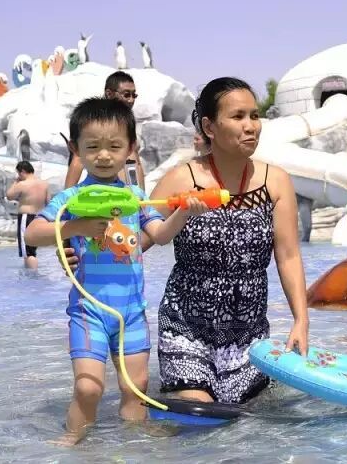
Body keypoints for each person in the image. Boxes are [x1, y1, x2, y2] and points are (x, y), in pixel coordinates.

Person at [25, 97, 209, 446]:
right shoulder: (70, 198)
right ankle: (74, 437)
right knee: (88, 387)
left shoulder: (136, 197)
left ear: (131, 148)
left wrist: (184, 212)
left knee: (135, 387)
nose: (104, 155)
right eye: (92, 147)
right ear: (76, 149)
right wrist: (76, 227)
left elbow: (160, 235)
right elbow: (32, 234)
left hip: (132, 310)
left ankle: (135, 441)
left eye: (114, 146)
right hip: (89, 310)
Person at [151, 76, 310, 404]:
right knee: (200, 413)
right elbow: (135, 240)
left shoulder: (276, 182)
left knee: (247, 423)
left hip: (249, 336)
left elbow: (289, 256)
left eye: (254, 115)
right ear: (209, 127)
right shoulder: (182, 179)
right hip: (186, 329)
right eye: (238, 116)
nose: (251, 126)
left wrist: (301, 320)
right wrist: (85, 247)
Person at [64, 71, 146, 190]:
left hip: (129, 195)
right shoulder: (96, 124)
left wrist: (142, 195)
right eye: (126, 95)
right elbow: (77, 161)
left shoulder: (126, 123)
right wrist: (67, 195)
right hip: (107, 195)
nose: (131, 100)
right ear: (109, 93)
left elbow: (136, 164)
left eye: (134, 95)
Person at [5, 161, 50, 269]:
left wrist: (15, 182)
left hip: (26, 217)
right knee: (32, 248)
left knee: (28, 252)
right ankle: (31, 273)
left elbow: (9, 196)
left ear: (23, 171)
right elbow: (48, 202)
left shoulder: (22, 184)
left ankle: (31, 277)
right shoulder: (44, 184)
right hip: (39, 217)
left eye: (18, 173)